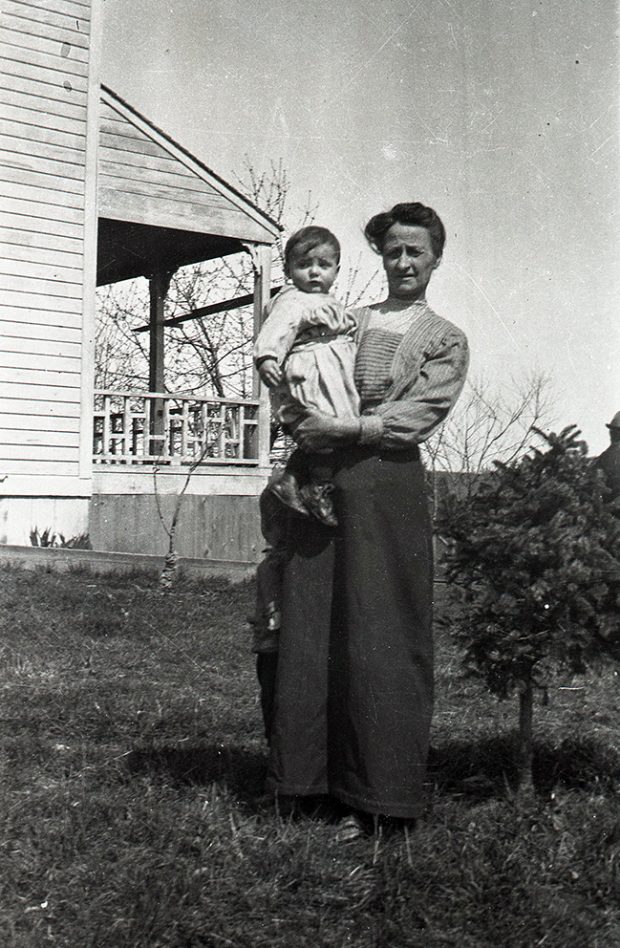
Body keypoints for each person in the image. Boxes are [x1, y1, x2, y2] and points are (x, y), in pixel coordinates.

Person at [261, 202, 469, 838]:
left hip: (385, 486)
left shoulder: (443, 338)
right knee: (307, 629)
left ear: (436, 258)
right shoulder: (342, 315)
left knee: (380, 636)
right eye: (394, 251)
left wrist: (346, 426)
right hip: (317, 479)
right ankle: (306, 785)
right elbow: (281, 348)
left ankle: (379, 796)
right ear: (380, 257)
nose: (404, 262)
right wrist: (299, 418)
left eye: (417, 251)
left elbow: (419, 414)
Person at [254, 226, 359, 528]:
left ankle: (291, 480)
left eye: (323, 266)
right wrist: (267, 357)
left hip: (332, 369)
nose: (314, 273)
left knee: (336, 428)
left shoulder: (327, 300)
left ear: (336, 270)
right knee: (324, 426)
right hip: (312, 370)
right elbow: (277, 328)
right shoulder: (293, 300)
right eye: (304, 265)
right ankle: (316, 488)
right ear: (288, 269)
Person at [594, 411, 620, 512]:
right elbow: (598, 477)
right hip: (607, 506)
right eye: (612, 431)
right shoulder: (605, 456)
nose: (612, 435)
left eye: (616, 432)